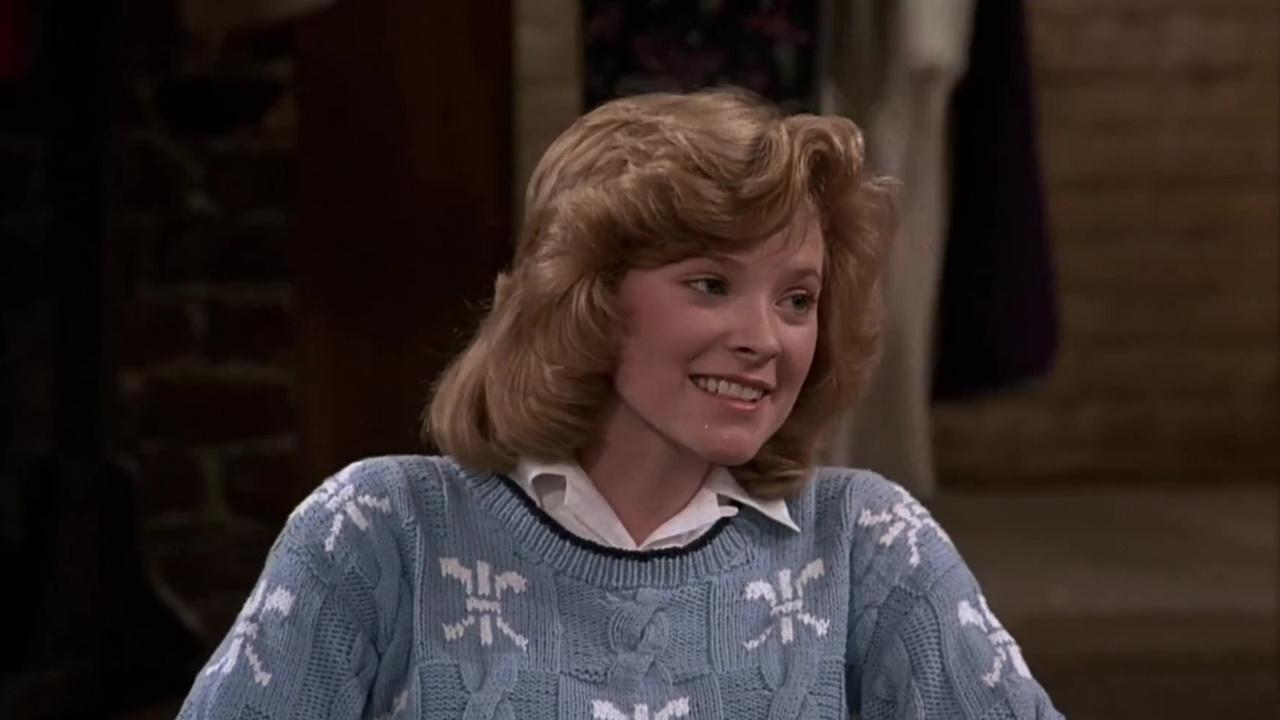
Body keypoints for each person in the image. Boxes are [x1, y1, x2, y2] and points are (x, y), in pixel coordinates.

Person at [177, 88, 1063, 719]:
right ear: (587, 297)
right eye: (711, 284)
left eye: (798, 299)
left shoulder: (868, 544)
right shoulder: (380, 531)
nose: (767, 338)